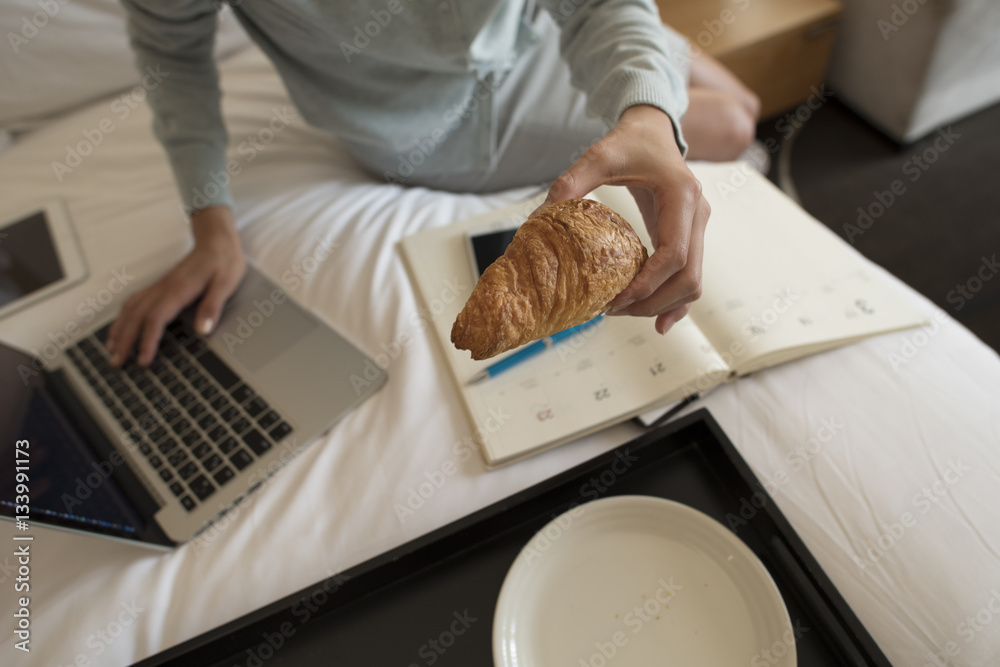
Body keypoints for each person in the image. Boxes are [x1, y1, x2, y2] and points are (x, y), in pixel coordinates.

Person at [109, 0, 760, 367]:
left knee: (739, 97)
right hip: (435, 122)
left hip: (533, 30)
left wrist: (645, 113)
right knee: (732, 123)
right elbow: (173, 52)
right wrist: (210, 223)